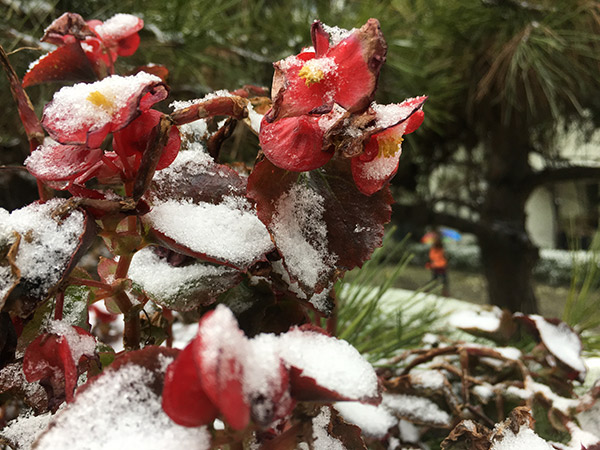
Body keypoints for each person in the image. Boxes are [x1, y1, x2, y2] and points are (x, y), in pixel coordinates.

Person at [425, 231, 449, 296]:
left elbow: (444, 258)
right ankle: (427, 288)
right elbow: (432, 257)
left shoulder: (441, 249)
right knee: (435, 279)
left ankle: (444, 292)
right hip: (436, 266)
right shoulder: (433, 250)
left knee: (444, 280)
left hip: (442, 266)